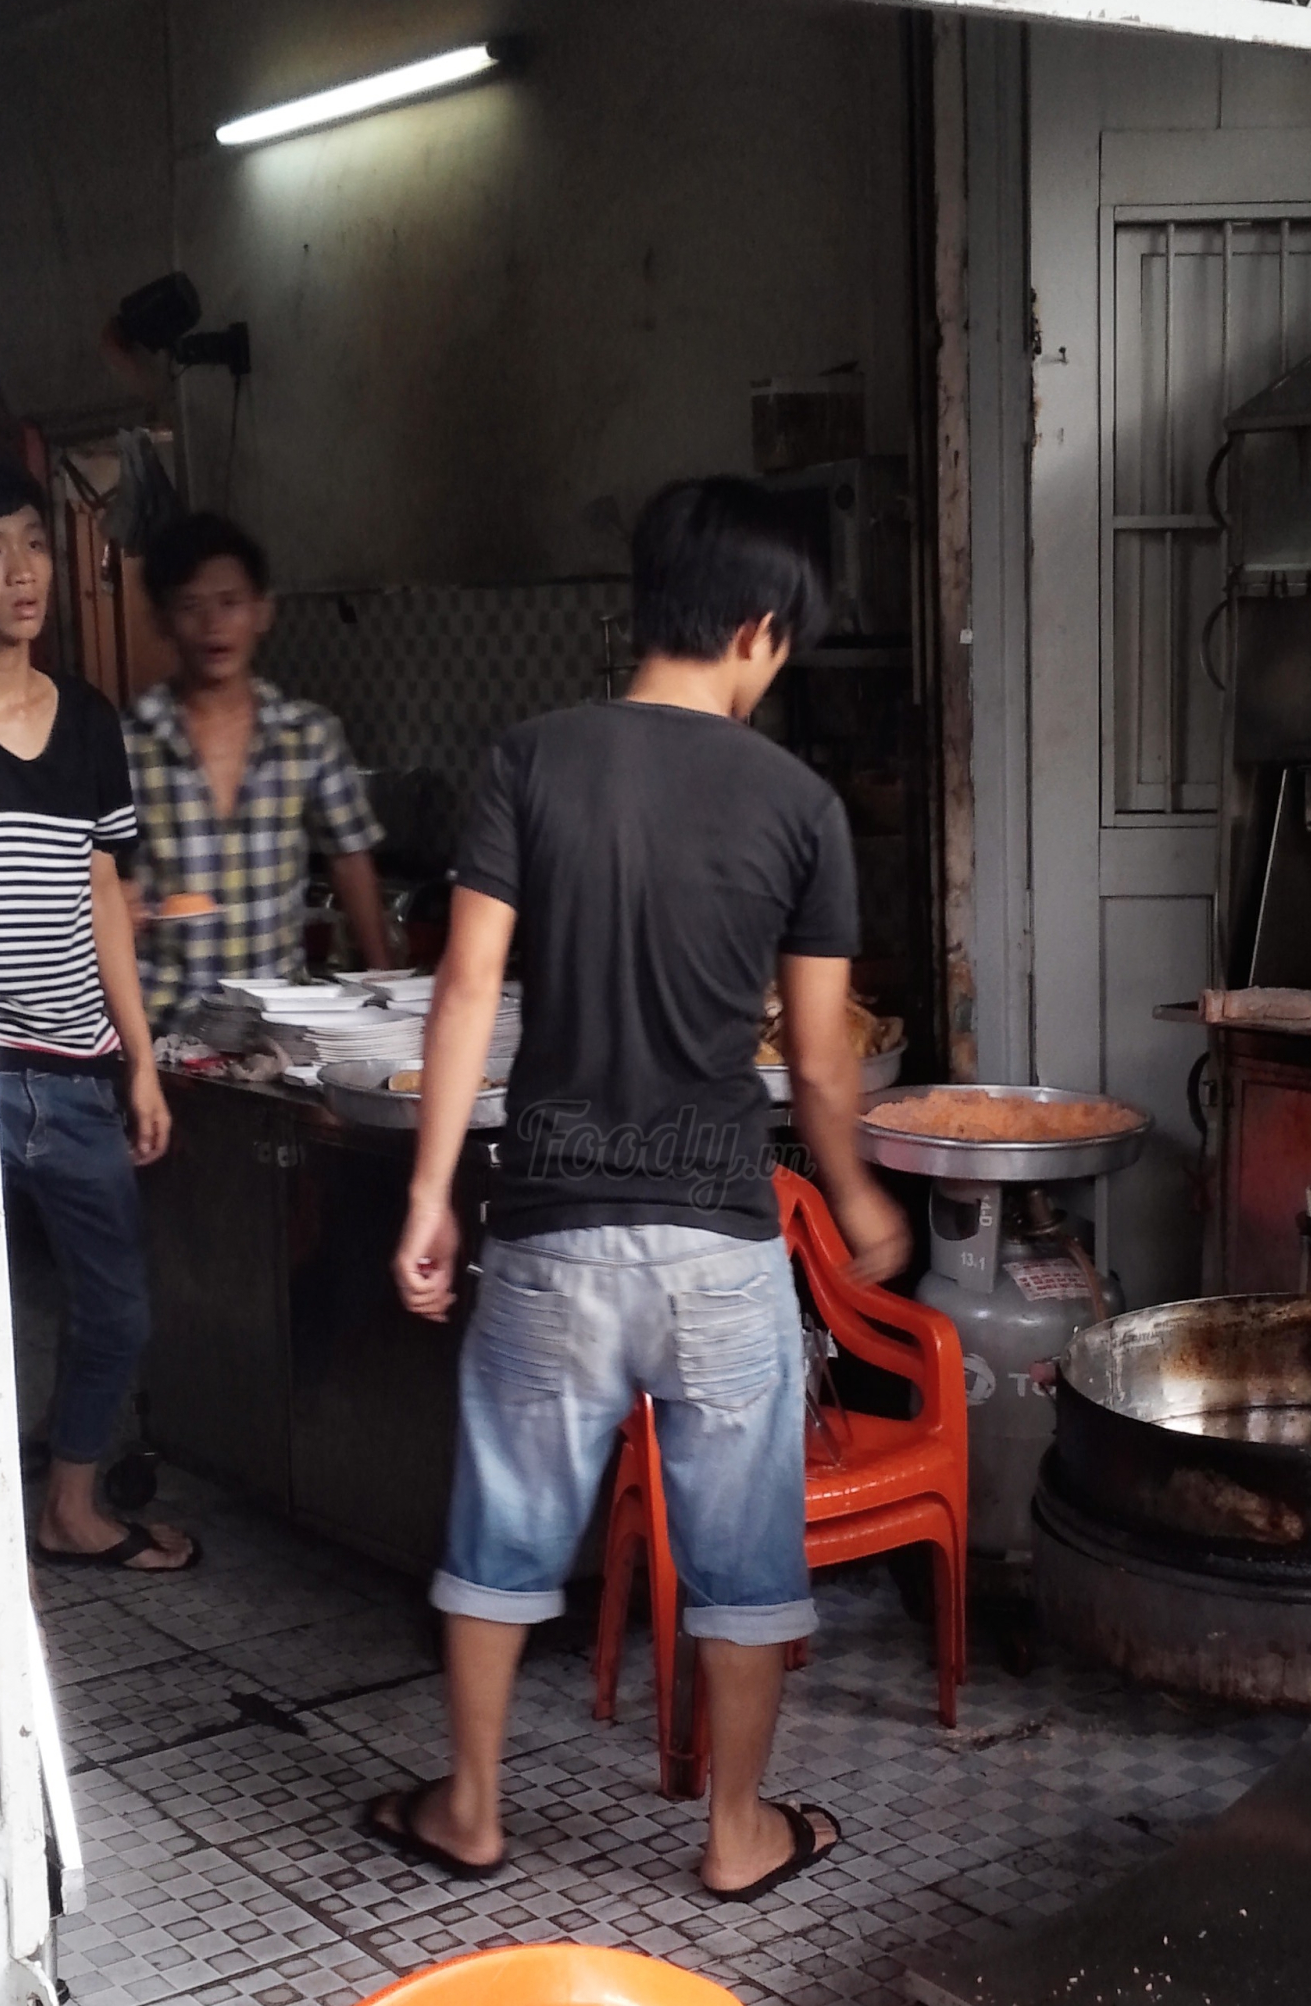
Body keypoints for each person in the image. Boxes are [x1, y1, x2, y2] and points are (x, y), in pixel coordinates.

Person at [381, 476, 912, 1901]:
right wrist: (857, 1196)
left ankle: (472, 1808)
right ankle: (738, 1833)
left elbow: (466, 988)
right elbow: (818, 1058)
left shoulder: (529, 759)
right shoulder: (801, 806)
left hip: (550, 1227)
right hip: (720, 1238)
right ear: (757, 628)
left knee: (503, 1522)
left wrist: (431, 1192)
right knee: (744, 1551)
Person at [0, 452, 198, 1574]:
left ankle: (69, 1506)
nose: (23, 572)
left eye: (35, 544)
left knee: (117, 1309)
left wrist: (138, 1059)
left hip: (75, 1072)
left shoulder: (90, 720)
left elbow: (104, 893)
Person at [125, 513, 389, 1025]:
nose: (213, 625)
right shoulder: (127, 742)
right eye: (190, 606)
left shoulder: (308, 735)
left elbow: (351, 859)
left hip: (280, 1025)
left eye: (230, 603)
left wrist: (385, 983)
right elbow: (101, 881)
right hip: (164, 1024)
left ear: (263, 611)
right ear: (161, 621)